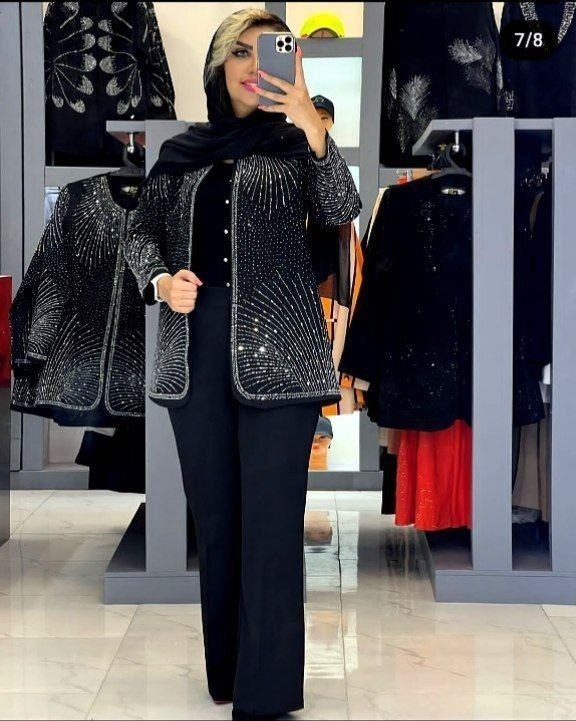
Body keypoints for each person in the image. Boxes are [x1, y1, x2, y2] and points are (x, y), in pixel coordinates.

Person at [124, 8, 360, 721]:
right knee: (219, 523)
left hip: (281, 354)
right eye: (243, 55)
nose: (257, 69)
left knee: (272, 525)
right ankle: (226, 670)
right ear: (219, 66)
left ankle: (267, 692)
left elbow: (341, 206)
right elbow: (140, 235)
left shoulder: (296, 146)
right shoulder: (182, 153)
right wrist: (161, 281)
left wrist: (312, 123)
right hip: (194, 354)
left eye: (271, 54)